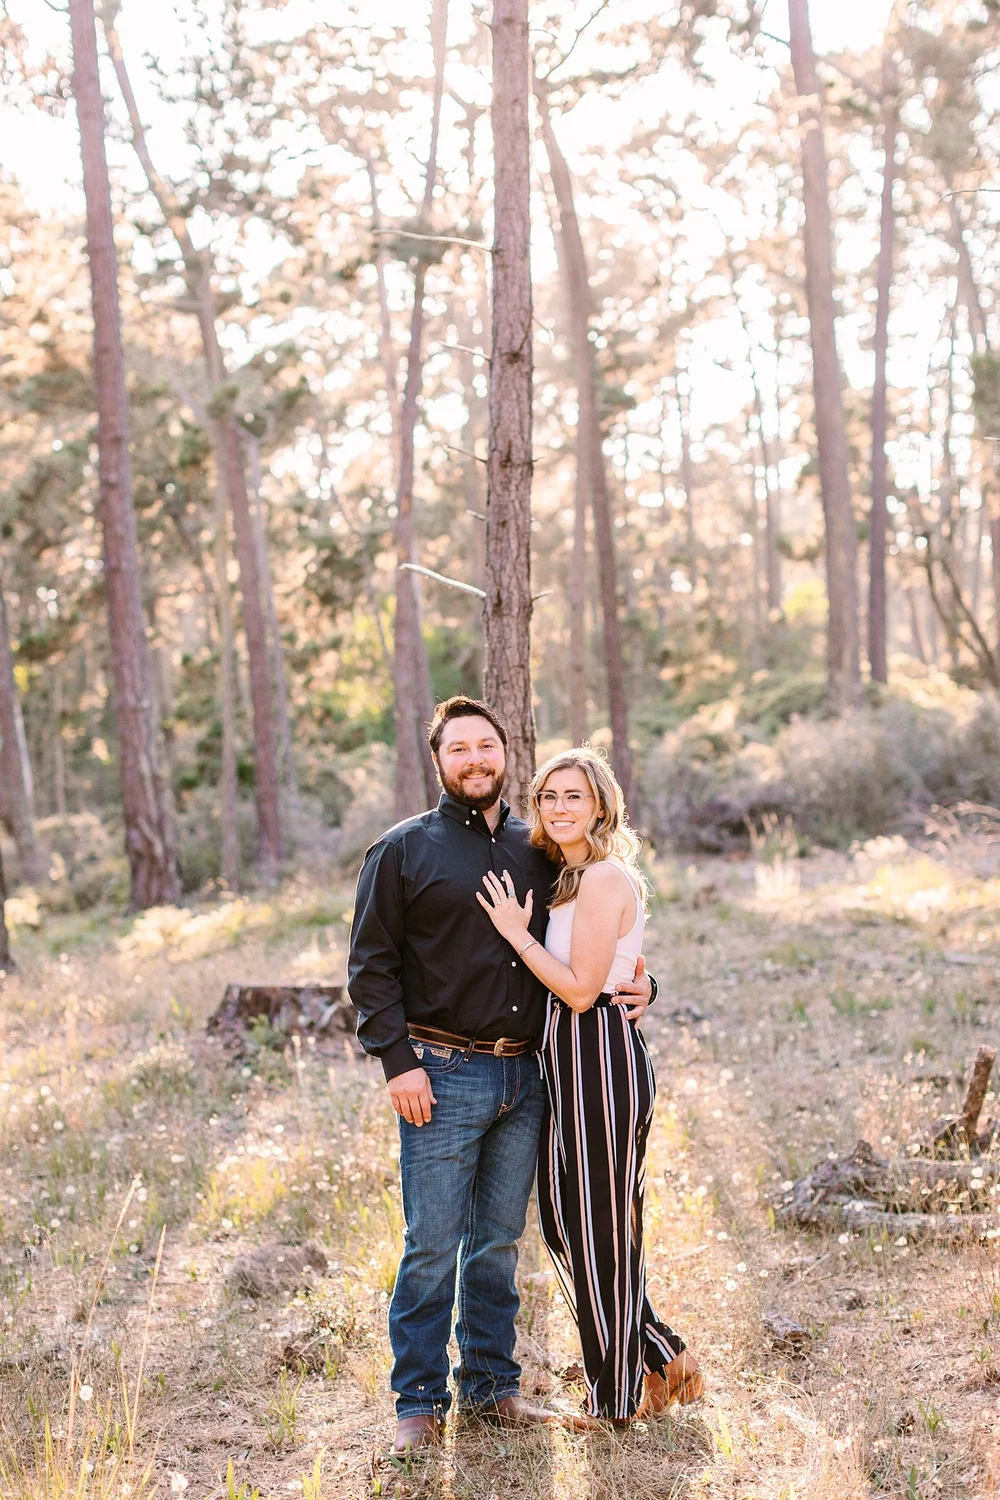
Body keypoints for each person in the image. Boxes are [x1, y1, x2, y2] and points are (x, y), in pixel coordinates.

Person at [347, 698, 656, 1455]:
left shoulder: (540, 846)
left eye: (487, 746)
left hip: (530, 1078)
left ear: (505, 753)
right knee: (431, 1242)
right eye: (460, 750)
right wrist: (398, 1064)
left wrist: (648, 987)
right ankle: (417, 1403)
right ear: (439, 761)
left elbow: (595, 940)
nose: (477, 760)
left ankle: (492, 1387)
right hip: (441, 1074)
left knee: (495, 1243)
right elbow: (370, 967)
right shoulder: (402, 851)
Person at [477, 747, 703, 1424]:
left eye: (573, 795)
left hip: (599, 1052)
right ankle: (664, 1355)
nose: (559, 807)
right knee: (567, 1224)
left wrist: (518, 935)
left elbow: (580, 990)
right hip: (565, 1062)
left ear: (600, 805)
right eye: (548, 796)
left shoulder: (604, 877)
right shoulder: (570, 875)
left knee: (599, 1230)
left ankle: (614, 1401)